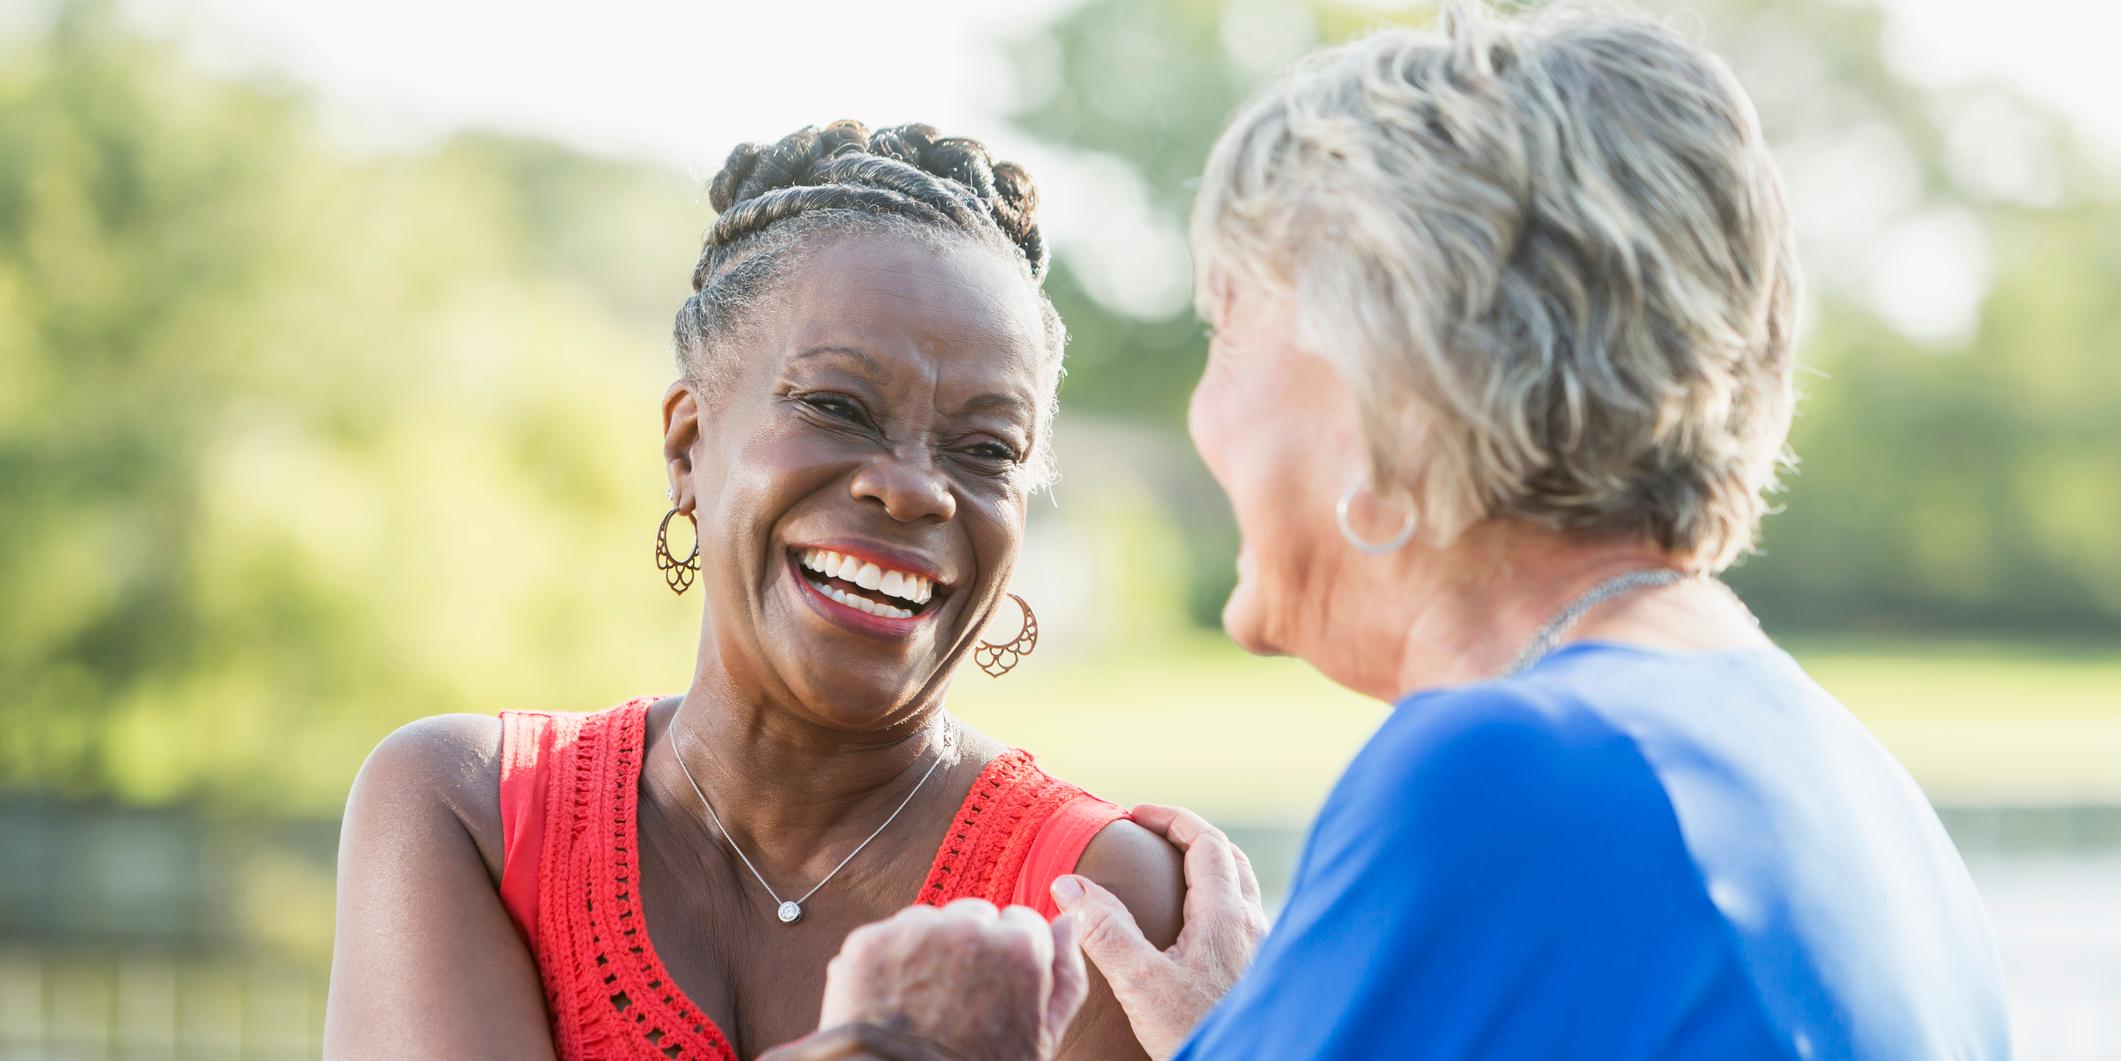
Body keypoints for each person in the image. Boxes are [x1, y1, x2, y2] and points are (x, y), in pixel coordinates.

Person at [774, 4, 2013, 1059]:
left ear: (1384, 402)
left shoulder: (1515, 770)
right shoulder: (1835, 770)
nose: (1205, 413)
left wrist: (901, 1039)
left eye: (1229, 329)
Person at [321, 121, 1185, 1060]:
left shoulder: (1098, 903)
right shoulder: (470, 808)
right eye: (836, 407)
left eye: (986, 450)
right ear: (688, 445)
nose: (913, 487)